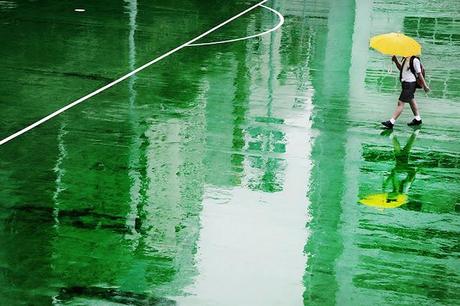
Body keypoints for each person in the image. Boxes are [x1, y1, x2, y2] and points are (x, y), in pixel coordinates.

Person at [381, 55, 430, 129]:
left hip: (410, 84)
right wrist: (396, 61)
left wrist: (425, 86)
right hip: (406, 84)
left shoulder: (414, 60)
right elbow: (402, 69)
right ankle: (418, 119)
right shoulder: (406, 59)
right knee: (411, 100)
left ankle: (391, 122)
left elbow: (419, 74)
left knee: (400, 103)